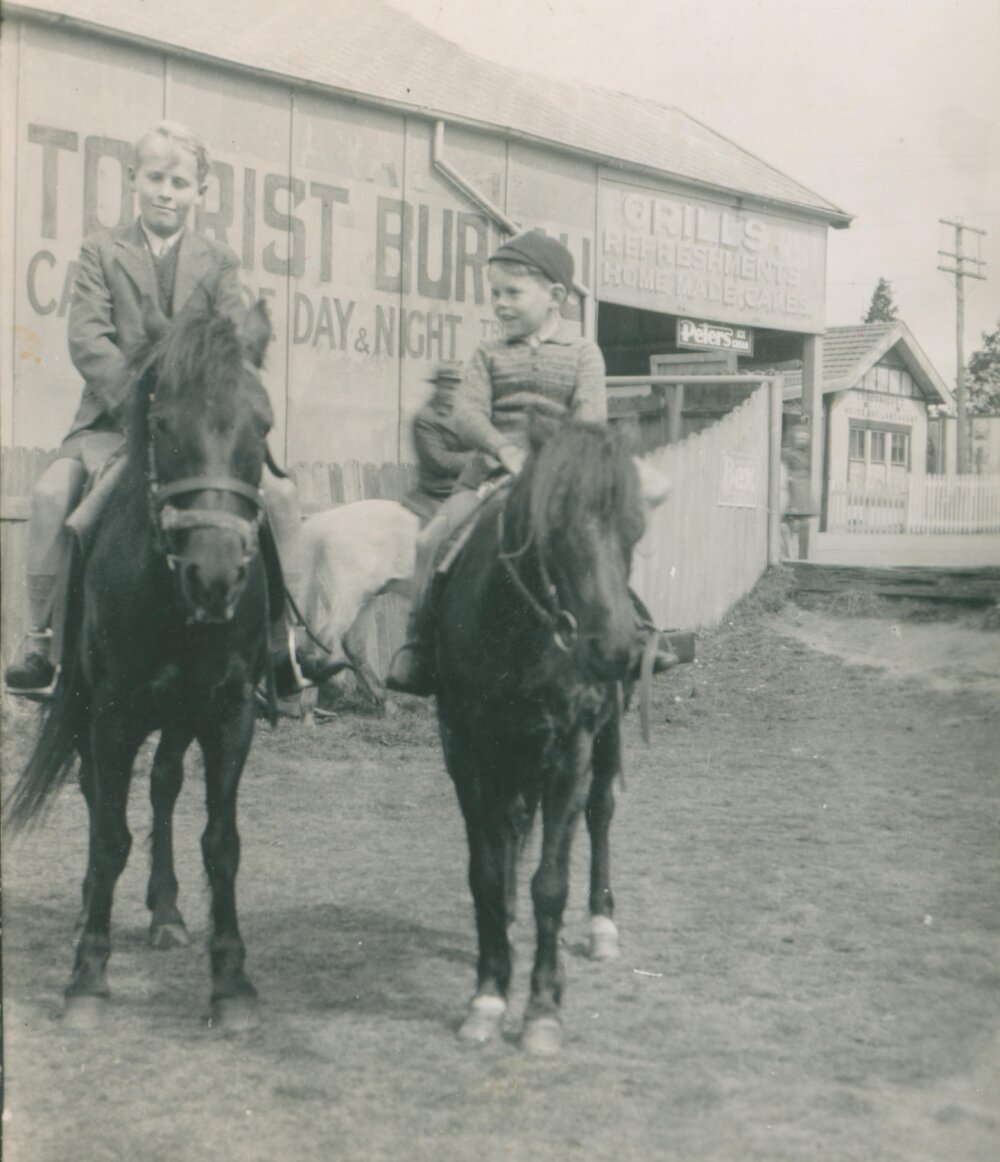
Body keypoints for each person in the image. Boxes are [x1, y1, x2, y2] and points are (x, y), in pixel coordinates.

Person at [5, 120, 331, 696]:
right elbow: (87, 340)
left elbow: (230, 343)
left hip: (196, 426)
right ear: (134, 180)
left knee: (280, 494)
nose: (166, 192)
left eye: (180, 183)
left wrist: (192, 404)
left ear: (199, 193)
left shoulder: (219, 262)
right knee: (52, 494)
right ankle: (40, 644)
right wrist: (140, 401)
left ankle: (286, 645)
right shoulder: (102, 251)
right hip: (111, 420)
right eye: (155, 178)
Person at [386, 229, 675, 696]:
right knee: (430, 540)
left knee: (605, 535)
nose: (500, 304)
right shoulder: (488, 354)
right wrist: (503, 449)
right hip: (490, 473)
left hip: (561, 476)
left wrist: (554, 464)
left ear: (555, 296)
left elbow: (589, 419)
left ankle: (633, 627)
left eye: (512, 293)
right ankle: (420, 647)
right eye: (495, 294)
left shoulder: (582, 353)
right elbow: (467, 414)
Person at [402, 362, 473, 523]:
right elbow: (440, 461)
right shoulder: (425, 419)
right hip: (440, 490)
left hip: (469, 485)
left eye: (456, 387)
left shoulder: (466, 415)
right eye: (446, 387)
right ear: (437, 388)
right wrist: (479, 459)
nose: (452, 392)